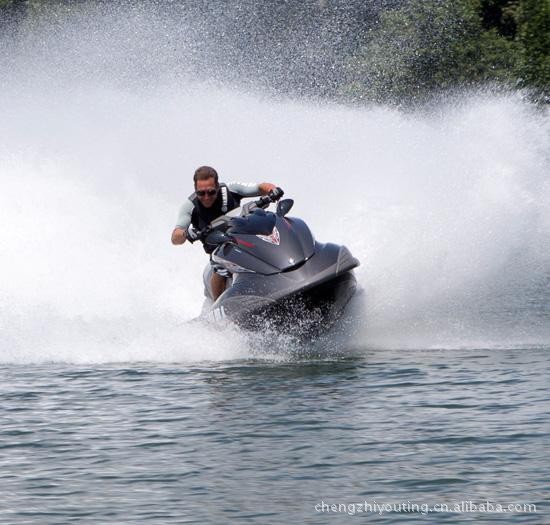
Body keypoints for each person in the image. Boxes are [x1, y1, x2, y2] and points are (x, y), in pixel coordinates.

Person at [171, 165, 282, 300]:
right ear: (195, 190)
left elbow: (260, 187)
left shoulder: (229, 190)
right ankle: (221, 309)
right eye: (201, 193)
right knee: (221, 268)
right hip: (219, 252)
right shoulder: (189, 206)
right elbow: (175, 237)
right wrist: (185, 234)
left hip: (243, 240)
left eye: (211, 192)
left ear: (217, 187)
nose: (206, 197)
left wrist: (273, 190)